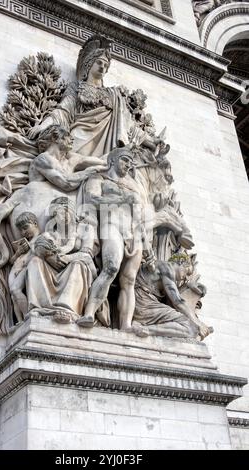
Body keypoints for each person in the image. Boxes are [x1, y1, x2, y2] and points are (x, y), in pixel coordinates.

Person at [28, 35, 163, 157]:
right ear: (89, 64)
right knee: (69, 162)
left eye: (105, 65)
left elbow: (128, 124)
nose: (102, 67)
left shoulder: (114, 94)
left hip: (108, 142)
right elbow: (62, 112)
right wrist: (42, 126)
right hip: (79, 136)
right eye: (99, 62)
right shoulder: (76, 87)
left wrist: (151, 141)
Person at [77, 146, 145, 331]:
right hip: (110, 226)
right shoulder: (99, 179)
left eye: (130, 163)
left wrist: (142, 239)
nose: (127, 165)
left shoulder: (133, 188)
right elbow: (92, 199)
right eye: (124, 160)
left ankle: (126, 324)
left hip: (133, 234)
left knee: (129, 280)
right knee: (111, 268)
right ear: (112, 161)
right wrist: (122, 200)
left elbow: (139, 216)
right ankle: (89, 312)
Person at [132, 252, 213, 340]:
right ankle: (145, 329)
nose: (186, 277)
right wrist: (199, 324)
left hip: (143, 304)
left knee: (191, 329)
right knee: (190, 327)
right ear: (181, 261)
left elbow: (172, 299)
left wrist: (187, 286)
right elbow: (178, 302)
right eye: (187, 272)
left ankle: (144, 328)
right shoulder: (167, 267)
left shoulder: (163, 272)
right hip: (143, 305)